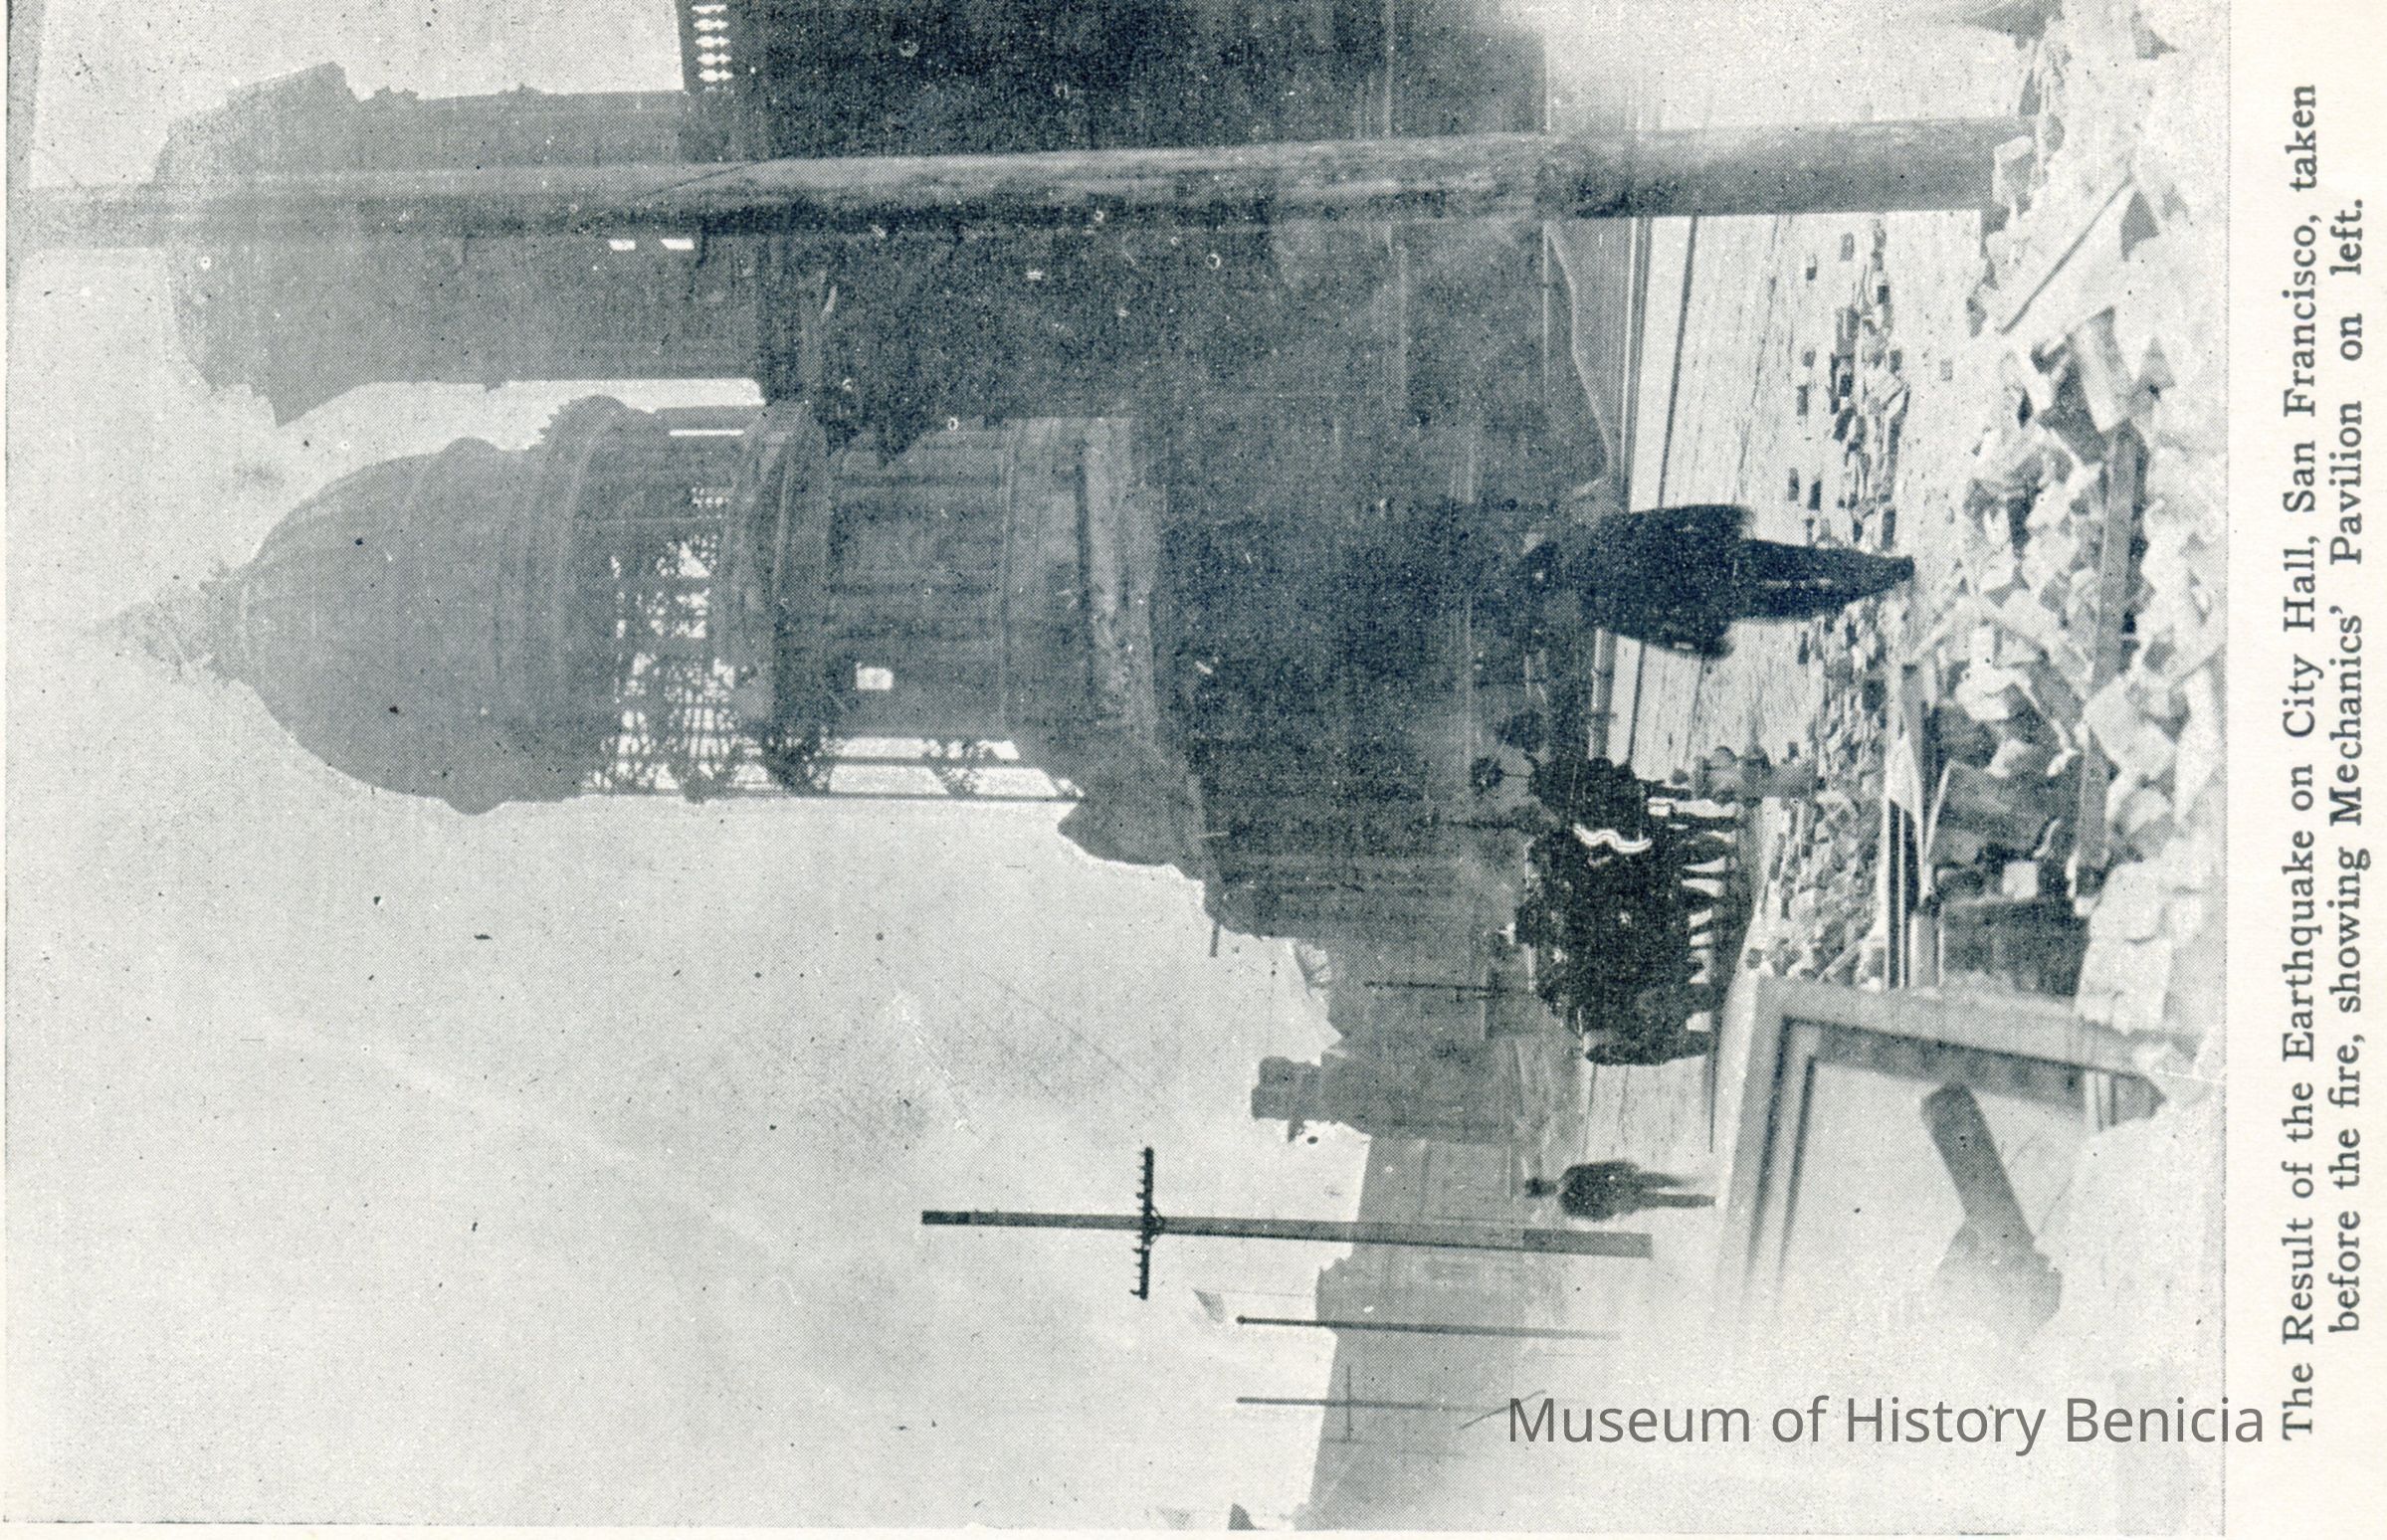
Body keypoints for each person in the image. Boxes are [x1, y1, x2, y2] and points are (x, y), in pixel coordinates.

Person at [1514, 502, 1915, 658]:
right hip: (1725, 555)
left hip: (1719, 596)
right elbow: (1671, 519)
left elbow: (1655, 629)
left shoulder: (1598, 605)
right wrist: (1721, 516)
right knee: (1807, 562)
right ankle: (1882, 569)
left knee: (1802, 602)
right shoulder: (1604, 533)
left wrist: (1701, 642)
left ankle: (1873, 584)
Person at [1526, 1160, 1715, 1222]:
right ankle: (1708, 1201)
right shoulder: (1568, 1206)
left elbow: (1600, 1167)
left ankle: (1702, 1181)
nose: (1547, 1187)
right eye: (1543, 1191)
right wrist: (1615, 1209)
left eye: (1543, 1184)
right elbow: (1596, 1215)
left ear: (1545, 1179)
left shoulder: (1571, 1172)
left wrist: (1622, 1165)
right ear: (1544, 1196)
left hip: (1625, 1180)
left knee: (1667, 1180)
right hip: (1623, 1200)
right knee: (1666, 1201)